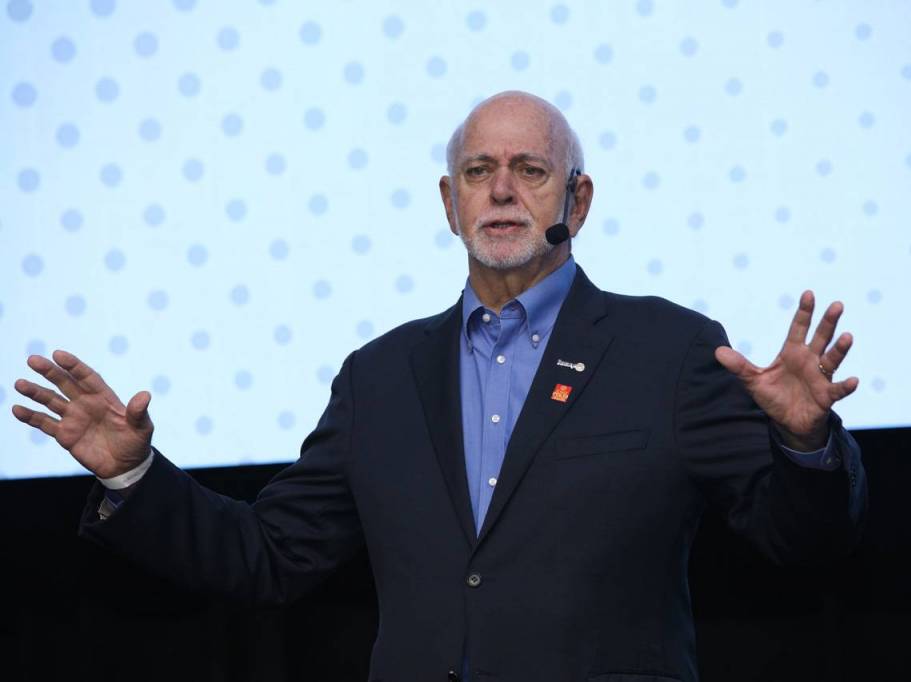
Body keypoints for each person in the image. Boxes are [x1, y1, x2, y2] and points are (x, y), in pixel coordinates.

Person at [11, 91, 866, 681]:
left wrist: (803, 442)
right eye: (479, 172)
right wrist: (132, 474)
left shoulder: (669, 350)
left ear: (578, 200)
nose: (502, 191)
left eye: (531, 171)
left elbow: (800, 542)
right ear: (450, 204)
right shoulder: (380, 377)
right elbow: (268, 557)